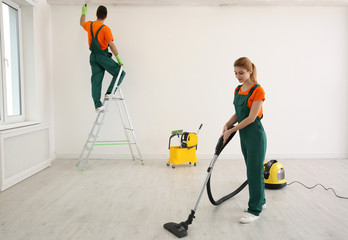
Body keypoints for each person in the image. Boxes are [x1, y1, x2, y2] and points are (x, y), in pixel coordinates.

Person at [221, 57, 267, 224]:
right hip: (244, 135)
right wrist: (227, 124)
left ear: (250, 71)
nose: (238, 76)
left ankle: (255, 210)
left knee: (254, 172)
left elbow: (250, 118)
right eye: (235, 73)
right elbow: (238, 114)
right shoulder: (238, 90)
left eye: (241, 73)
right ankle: (261, 200)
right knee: (253, 170)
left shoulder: (258, 91)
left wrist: (231, 130)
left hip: (255, 135)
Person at [80, 4, 126, 112]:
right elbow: (112, 45)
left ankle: (97, 105)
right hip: (102, 56)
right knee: (121, 73)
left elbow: (81, 22)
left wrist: (83, 12)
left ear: (96, 14)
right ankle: (110, 92)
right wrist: (118, 59)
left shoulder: (89, 25)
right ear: (106, 16)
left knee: (96, 81)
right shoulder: (105, 29)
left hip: (93, 57)